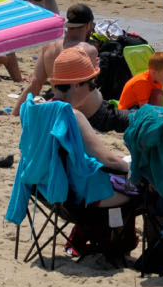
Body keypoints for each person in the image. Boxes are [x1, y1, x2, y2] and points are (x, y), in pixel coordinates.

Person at [48, 46, 133, 204]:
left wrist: (114, 160)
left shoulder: (40, 111)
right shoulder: (73, 116)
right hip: (77, 195)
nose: (91, 91)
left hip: (46, 189)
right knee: (144, 195)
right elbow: (109, 162)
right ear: (76, 85)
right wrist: (134, 169)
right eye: (92, 85)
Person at [24, 3, 96, 100]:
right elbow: (89, 89)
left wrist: (16, 112)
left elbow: (35, 83)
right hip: (80, 110)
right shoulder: (87, 50)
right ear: (88, 25)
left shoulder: (49, 46)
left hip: (57, 102)